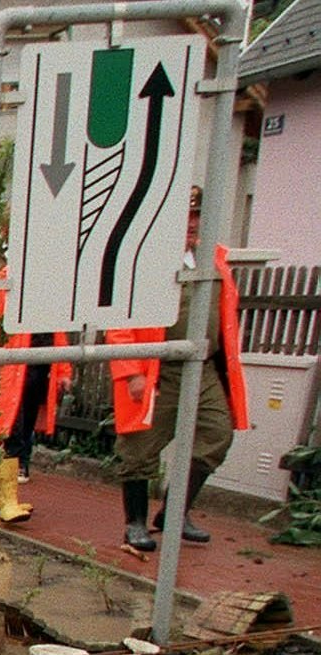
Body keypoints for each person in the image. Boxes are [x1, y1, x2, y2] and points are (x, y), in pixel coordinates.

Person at [106, 188, 250, 551]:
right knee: (140, 447)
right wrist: (132, 370)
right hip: (158, 369)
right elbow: (118, 319)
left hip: (202, 368)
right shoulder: (144, 260)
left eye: (197, 216)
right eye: (185, 217)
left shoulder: (213, 260)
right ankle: (135, 523)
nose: (192, 224)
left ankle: (174, 512)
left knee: (217, 434)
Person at [0, 262, 61, 523]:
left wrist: (62, 370)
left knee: (25, 426)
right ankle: (8, 499)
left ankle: (1, 495)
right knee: (11, 431)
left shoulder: (50, 282)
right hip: (13, 371)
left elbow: (58, 330)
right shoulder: (6, 280)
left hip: (39, 368)